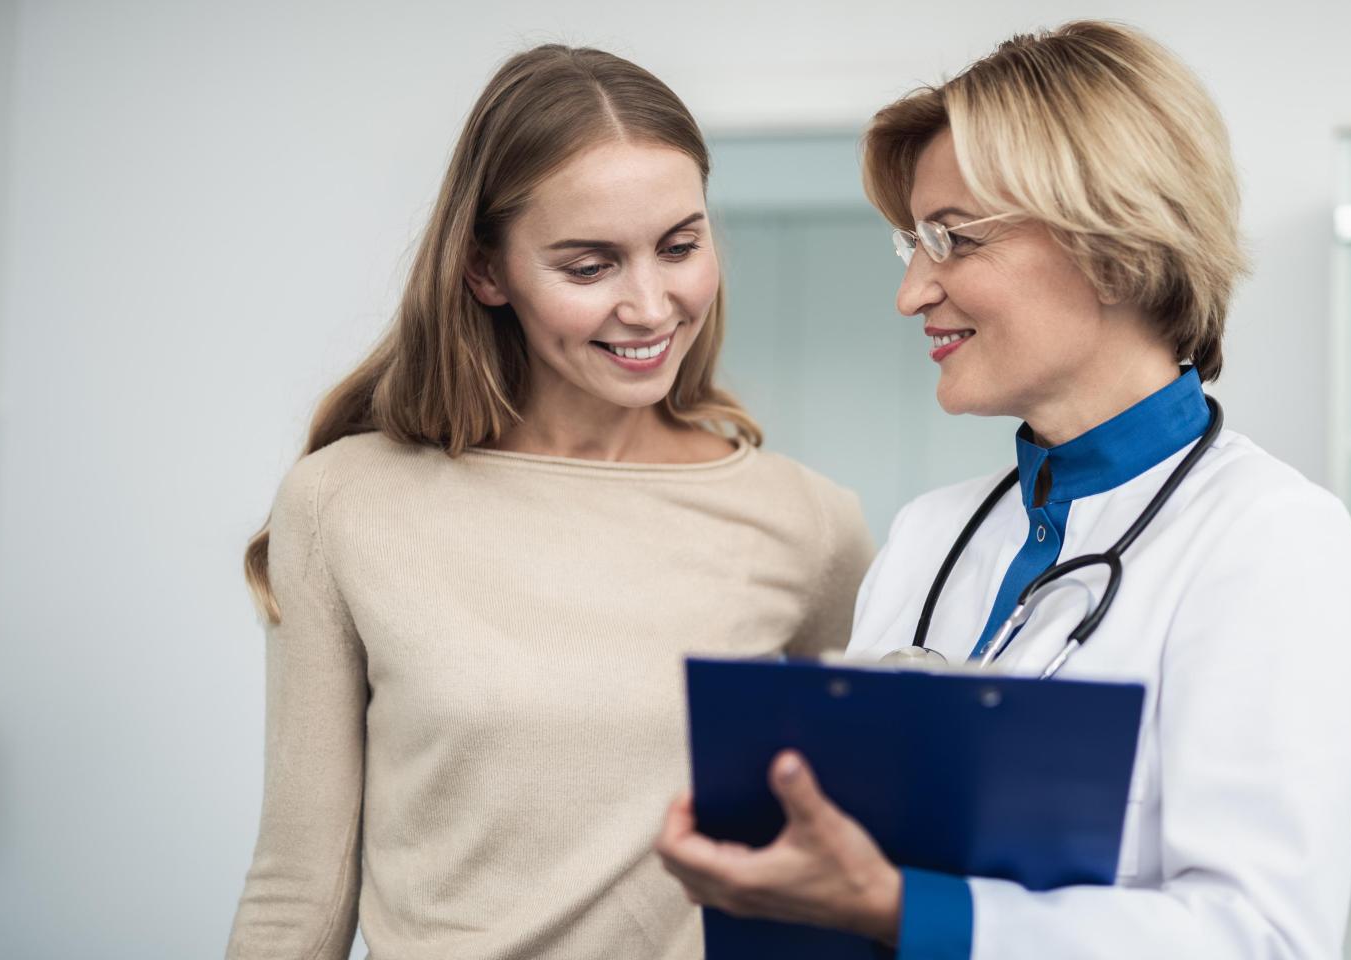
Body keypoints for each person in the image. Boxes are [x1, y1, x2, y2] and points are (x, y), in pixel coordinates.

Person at [657, 20, 1351, 959]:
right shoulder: (930, 535)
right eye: (913, 245)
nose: (912, 292)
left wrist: (910, 913)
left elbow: (1261, 940)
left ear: (1112, 245)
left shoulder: (1271, 542)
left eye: (952, 239)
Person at [226, 44, 875, 960]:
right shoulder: (344, 502)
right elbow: (299, 885)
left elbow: (855, 864)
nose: (650, 306)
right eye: (589, 266)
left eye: (680, 247)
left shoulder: (808, 525)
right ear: (487, 272)